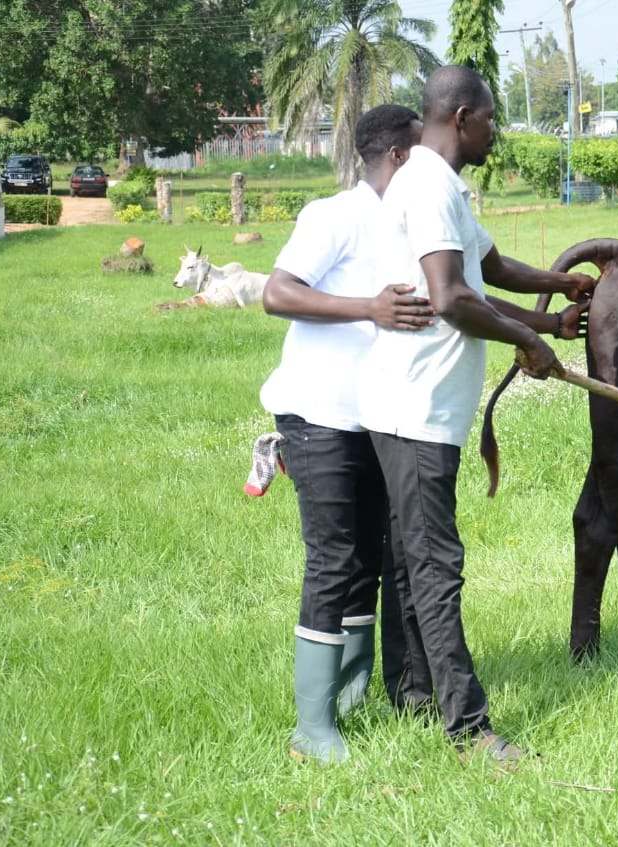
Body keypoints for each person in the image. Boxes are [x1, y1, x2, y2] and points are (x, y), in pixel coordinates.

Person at [357, 64, 594, 765]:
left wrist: (556, 297)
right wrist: (527, 338)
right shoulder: (428, 184)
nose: (497, 131)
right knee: (434, 564)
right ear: (461, 117)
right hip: (414, 406)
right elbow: (452, 297)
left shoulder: (442, 186)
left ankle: (414, 694)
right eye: (491, 119)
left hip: (411, 405)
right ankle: (468, 729)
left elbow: (489, 266)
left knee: (407, 558)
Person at [259, 104, 436, 764]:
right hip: (319, 415)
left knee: (372, 555)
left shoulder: (405, 225)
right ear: (397, 157)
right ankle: (311, 725)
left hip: (378, 418)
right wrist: (369, 307)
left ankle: (353, 691)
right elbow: (278, 292)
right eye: (424, 154)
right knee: (333, 557)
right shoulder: (334, 216)